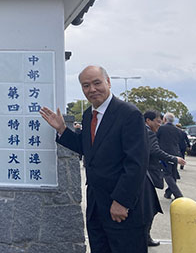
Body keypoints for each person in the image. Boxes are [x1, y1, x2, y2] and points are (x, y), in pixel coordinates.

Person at [40, 65, 148, 253]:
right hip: (97, 205)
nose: (92, 89)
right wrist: (62, 130)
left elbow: (136, 163)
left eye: (97, 83)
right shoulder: (89, 114)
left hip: (122, 207)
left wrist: (122, 201)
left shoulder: (129, 114)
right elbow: (88, 148)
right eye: (86, 85)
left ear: (108, 82)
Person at [143, 110, 186, 247]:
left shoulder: (141, 131)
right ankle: (145, 237)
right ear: (148, 121)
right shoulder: (149, 133)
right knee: (150, 208)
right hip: (147, 173)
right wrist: (175, 158)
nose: (159, 125)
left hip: (148, 171)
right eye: (157, 122)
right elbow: (154, 151)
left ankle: (144, 236)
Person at [157, 112, 184, 199]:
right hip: (175, 154)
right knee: (173, 174)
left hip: (165, 154)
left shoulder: (160, 128)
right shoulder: (179, 131)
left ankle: (178, 195)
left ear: (164, 119)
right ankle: (168, 192)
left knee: (167, 174)